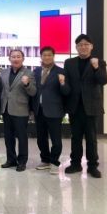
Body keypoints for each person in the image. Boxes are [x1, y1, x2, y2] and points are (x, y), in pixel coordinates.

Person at [63, 34, 107, 178]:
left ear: (91, 46)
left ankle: (92, 166)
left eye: (86, 44)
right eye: (80, 45)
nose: (83, 47)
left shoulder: (99, 62)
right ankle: (75, 164)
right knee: (75, 137)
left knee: (91, 138)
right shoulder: (69, 62)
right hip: (75, 106)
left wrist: (96, 68)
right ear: (76, 47)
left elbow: (103, 81)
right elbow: (67, 83)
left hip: (92, 106)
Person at [31, 46, 70, 175]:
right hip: (39, 110)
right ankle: (45, 160)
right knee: (41, 139)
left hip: (54, 110)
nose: (47, 57)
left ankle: (54, 162)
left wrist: (62, 83)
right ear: (41, 57)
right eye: (44, 55)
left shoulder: (61, 71)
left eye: (49, 55)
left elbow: (66, 92)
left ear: (53, 56)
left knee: (56, 140)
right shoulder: (36, 71)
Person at [0, 48, 36, 172]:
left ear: (23, 58)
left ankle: (22, 161)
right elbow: (2, 90)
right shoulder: (4, 72)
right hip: (6, 109)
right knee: (8, 137)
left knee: (22, 137)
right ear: (9, 59)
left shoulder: (29, 73)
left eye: (18, 56)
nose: (16, 59)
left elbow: (33, 92)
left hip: (21, 110)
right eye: (13, 57)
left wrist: (27, 84)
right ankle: (11, 159)